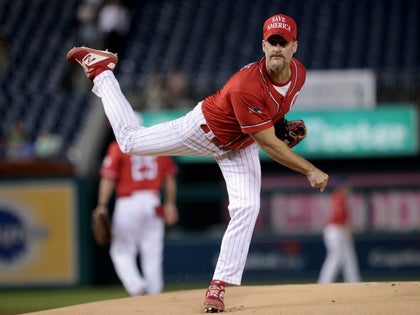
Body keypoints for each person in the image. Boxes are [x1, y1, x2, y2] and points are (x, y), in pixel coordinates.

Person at [67, 13, 329, 313]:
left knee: (247, 207)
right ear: (263, 45)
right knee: (129, 141)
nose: (277, 48)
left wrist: (279, 124)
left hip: (239, 146)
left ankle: (217, 287)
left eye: (283, 42)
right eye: (272, 42)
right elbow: (268, 143)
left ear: (295, 46)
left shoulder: (299, 75)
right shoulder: (247, 84)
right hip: (203, 131)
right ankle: (101, 71)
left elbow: (271, 118)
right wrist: (309, 169)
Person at [94, 139, 179, 296]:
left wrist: (102, 205)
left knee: (120, 250)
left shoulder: (119, 145)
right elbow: (170, 177)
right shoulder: (156, 143)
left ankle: (137, 286)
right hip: (153, 202)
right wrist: (170, 203)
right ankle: (154, 294)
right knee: (152, 253)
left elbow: (108, 177)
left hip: (128, 203)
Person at [317, 176, 361, 284]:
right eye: (346, 185)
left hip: (339, 229)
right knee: (336, 255)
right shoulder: (338, 197)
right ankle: (324, 282)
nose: (349, 187)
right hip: (335, 229)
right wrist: (347, 229)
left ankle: (354, 281)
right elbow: (338, 215)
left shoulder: (341, 197)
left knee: (348, 255)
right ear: (341, 187)